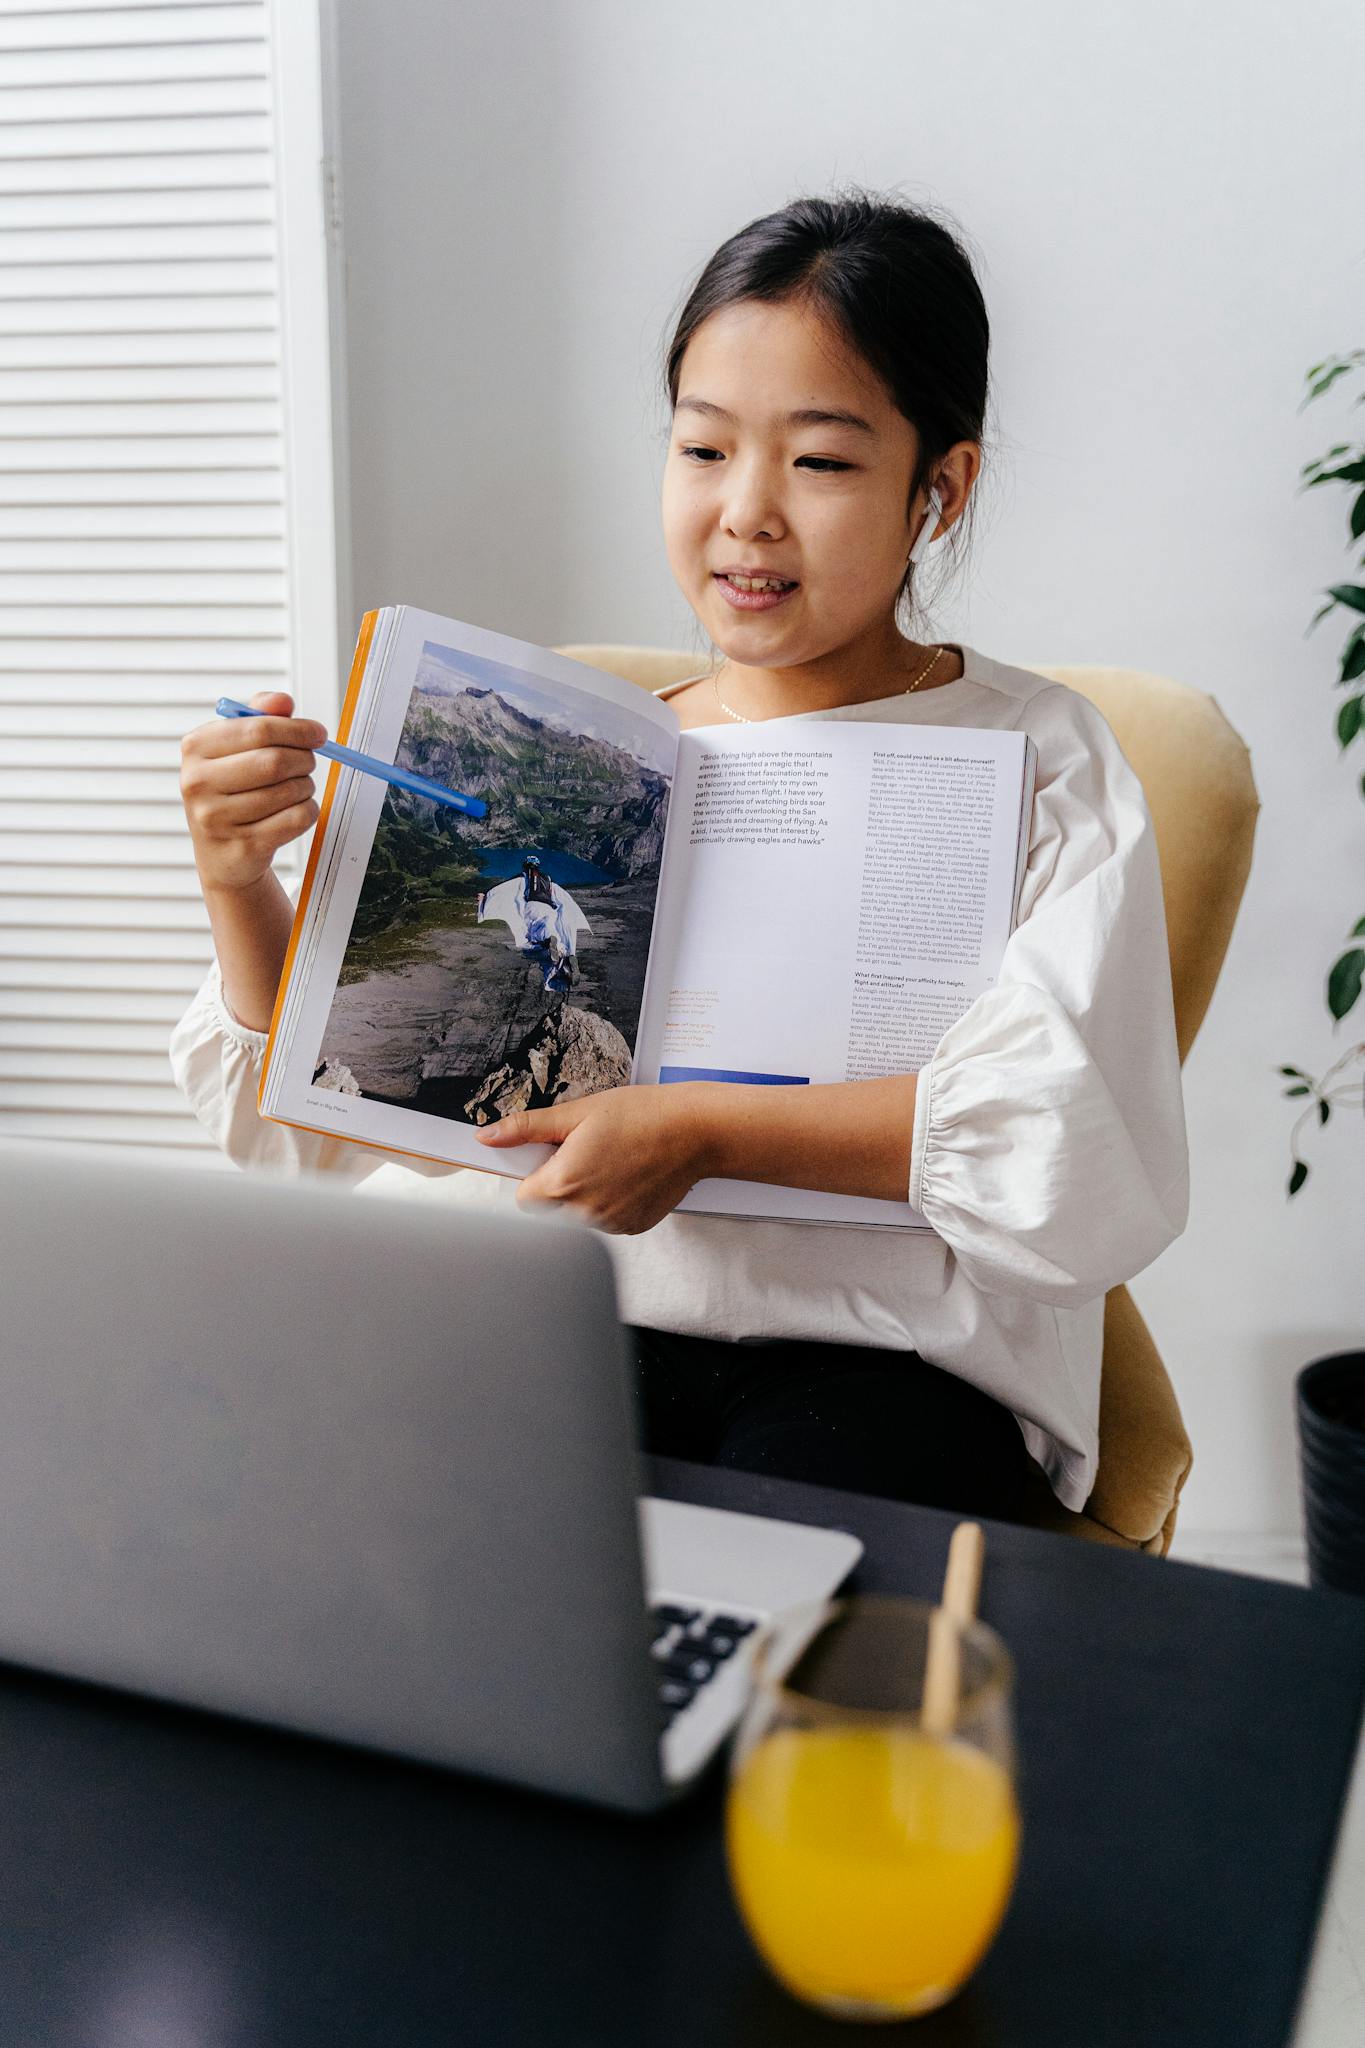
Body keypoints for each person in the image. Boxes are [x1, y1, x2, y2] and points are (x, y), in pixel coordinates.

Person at [173, 187, 1189, 1527]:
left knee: (801, 1581)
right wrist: (238, 880)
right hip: (567, 1313)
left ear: (938, 487)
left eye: (819, 462)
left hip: (889, 1362)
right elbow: (312, 1123)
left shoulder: (1041, 755)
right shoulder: (589, 759)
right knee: (362, 1527)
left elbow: (1070, 1131)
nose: (747, 513)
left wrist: (705, 1132)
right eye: (704, 448)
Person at [476, 855, 587, 993]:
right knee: (548, 927)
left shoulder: (524, 877)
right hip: (549, 909)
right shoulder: (548, 880)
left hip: (532, 907)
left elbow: (505, 888)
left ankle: (548, 942)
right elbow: (561, 896)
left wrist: (485, 897)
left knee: (533, 935)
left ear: (525, 866)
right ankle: (563, 958)